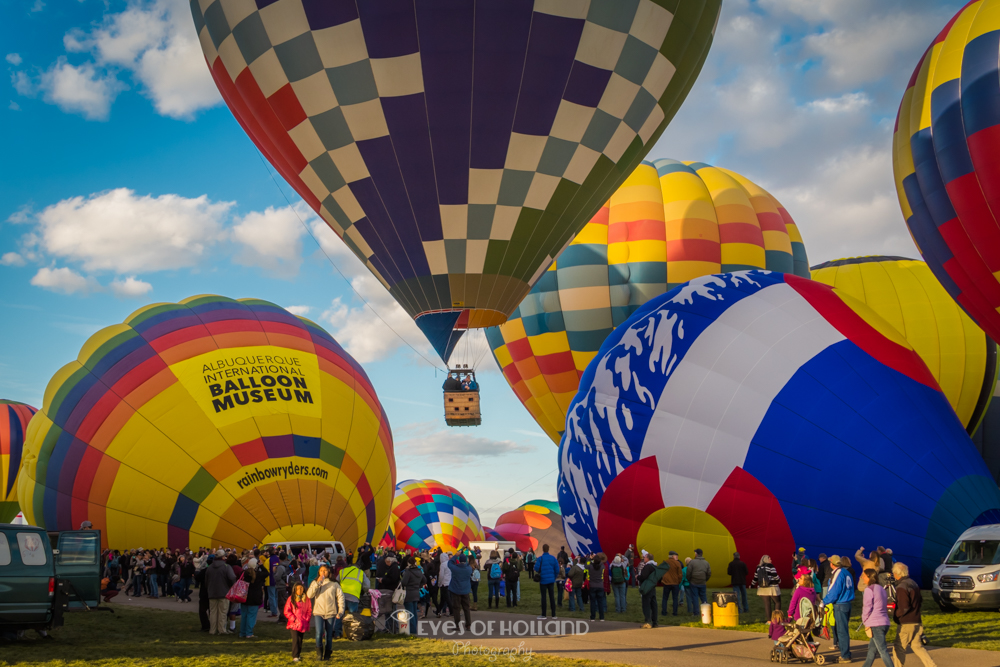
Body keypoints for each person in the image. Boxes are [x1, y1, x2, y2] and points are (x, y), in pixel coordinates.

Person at [891, 562, 936, 667]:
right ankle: (931, 665)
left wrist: (896, 615)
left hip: (906, 622)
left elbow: (904, 607)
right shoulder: (913, 583)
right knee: (917, 646)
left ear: (897, 573)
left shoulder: (901, 587)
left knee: (899, 648)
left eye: (894, 573)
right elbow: (920, 600)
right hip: (917, 620)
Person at [822, 555, 856, 664]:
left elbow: (833, 592)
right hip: (847, 603)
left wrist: (823, 602)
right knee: (844, 630)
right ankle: (844, 652)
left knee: (841, 631)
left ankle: (845, 655)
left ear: (832, 564)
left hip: (840, 604)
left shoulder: (837, 574)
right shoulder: (847, 572)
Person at [307, 565, 345, 660]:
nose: (323, 573)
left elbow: (340, 598)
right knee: (319, 632)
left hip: (330, 612)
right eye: (321, 571)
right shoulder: (315, 582)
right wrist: (317, 583)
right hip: (318, 612)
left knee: (328, 634)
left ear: (329, 572)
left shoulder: (334, 584)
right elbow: (309, 595)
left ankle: (328, 653)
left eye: (325, 571)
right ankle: (319, 652)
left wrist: (340, 611)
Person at [860, 569, 893, 667]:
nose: (862, 578)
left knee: (883, 651)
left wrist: (865, 621)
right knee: (872, 650)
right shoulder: (881, 588)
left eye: (864, 576)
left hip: (875, 624)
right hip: (884, 622)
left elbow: (867, 607)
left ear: (869, 577)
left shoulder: (869, 589)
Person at [205, 549, 236, 635]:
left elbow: (206, 581)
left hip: (212, 592)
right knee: (223, 612)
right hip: (224, 592)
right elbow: (232, 578)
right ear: (223, 557)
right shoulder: (226, 567)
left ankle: (212, 629)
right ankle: (221, 629)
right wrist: (230, 586)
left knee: (213, 612)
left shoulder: (210, 567)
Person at [284, 583, 312, 662]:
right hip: (294, 624)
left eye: (301, 588)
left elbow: (309, 610)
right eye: (298, 589)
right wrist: (294, 619)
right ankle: (295, 655)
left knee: (300, 639)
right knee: (295, 639)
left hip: (303, 623)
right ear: (295, 590)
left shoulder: (306, 599)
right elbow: (287, 611)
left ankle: (298, 654)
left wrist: (306, 619)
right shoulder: (291, 598)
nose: (300, 590)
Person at [240, 558, 266, 638]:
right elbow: (267, 573)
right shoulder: (258, 574)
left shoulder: (244, 573)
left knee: (244, 615)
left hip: (244, 597)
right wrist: (261, 565)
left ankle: (242, 632)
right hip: (254, 598)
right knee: (251, 616)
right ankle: (249, 632)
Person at [448, 553, 474, 631]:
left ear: (459, 560)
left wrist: (455, 555)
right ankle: (468, 625)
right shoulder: (469, 569)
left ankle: (457, 625)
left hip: (456, 590)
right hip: (465, 590)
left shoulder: (455, 569)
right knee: (466, 608)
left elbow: (449, 563)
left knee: (456, 608)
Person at [401, 556, 427, 635]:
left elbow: (404, 582)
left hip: (408, 593)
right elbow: (424, 580)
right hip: (416, 592)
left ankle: (412, 630)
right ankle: (414, 628)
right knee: (414, 612)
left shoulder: (408, 572)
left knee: (410, 612)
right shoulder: (419, 571)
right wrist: (419, 585)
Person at [534, 543, 560, 620]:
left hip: (543, 580)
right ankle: (553, 614)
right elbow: (557, 569)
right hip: (551, 580)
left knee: (544, 597)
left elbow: (536, 568)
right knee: (552, 597)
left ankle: (544, 614)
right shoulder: (553, 558)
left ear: (543, 549)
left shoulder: (540, 559)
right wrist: (554, 577)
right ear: (548, 549)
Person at [752, 555, 782, 622]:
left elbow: (755, 578)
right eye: (770, 559)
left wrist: (752, 585)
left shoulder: (758, 567)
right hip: (772, 587)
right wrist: (779, 580)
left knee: (767, 604)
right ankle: (777, 619)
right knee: (777, 602)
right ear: (767, 559)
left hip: (762, 588)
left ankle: (769, 621)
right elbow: (775, 575)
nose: (771, 560)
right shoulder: (770, 566)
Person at [637, 552, 659, 628]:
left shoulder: (647, 567)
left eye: (645, 557)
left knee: (646, 605)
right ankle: (655, 622)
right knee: (654, 605)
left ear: (648, 558)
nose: (644, 558)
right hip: (653, 587)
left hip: (646, 588)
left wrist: (638, 577)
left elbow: (643, 576)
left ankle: (647, 622)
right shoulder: (655, 566)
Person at [659, 551, 682, 616]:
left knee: (665, 598)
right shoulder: (677, 563)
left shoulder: (665, 563)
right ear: (672, 556)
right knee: (675, 598)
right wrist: (679, 581)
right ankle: (675, 612)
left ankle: (664, 612)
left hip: (666, 583)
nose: (676, 557)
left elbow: (661, 572)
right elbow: (680, 574)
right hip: (675, 583)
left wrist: (663, 580)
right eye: (675, 556)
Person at [586, 553, 608, 621]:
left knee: (592, 602)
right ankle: (602, 617)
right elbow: (601, 563)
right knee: (600, 602)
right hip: (600, 586)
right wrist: (597, 559)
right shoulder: (602, 567)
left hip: (592, 585)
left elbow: (585, 565)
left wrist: (590, 558)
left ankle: (592, 617)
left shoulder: (590, 567)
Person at [274, 553, 290, 623]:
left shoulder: (280, 567)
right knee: (285, 601)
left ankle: (283, 617)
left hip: (281, 586)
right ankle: (283, 616)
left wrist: (274, 572)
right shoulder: (289, 565)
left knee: (281, 603)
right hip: (287, 585)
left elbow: (277, 577)